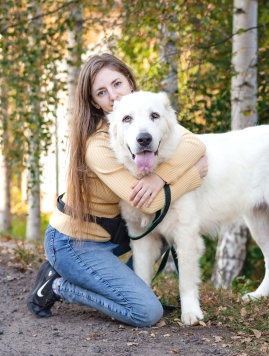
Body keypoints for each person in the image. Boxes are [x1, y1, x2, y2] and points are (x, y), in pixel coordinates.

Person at [26, 53, 208, 328]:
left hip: (114, 233)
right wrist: (191, 176)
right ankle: (61, 285)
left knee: (157, 231)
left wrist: (159, 178)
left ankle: (101, 280)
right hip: (74, 242)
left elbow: (194, 145)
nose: (112, 95)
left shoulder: (148, 114)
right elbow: (149, 204)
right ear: (94, 102)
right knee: (146, 312)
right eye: (101, 92)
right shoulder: (98, 145)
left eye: (117, 84)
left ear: (130, 82)